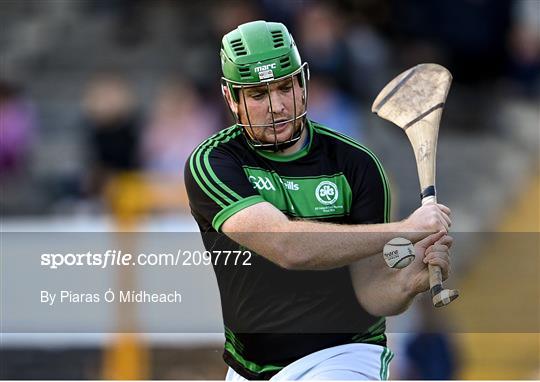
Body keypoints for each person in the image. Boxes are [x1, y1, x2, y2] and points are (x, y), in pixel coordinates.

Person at [185, 20, 452, 380]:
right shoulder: (215, 162)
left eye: (285, 87)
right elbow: (287, 247)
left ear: (302, 81)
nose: (277, 106)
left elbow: (372, 293)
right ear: (231, 97)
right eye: (258, 95)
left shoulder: (356, 165)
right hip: (248, 370)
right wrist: (405, 230)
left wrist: (410, 282)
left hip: (345, 356)